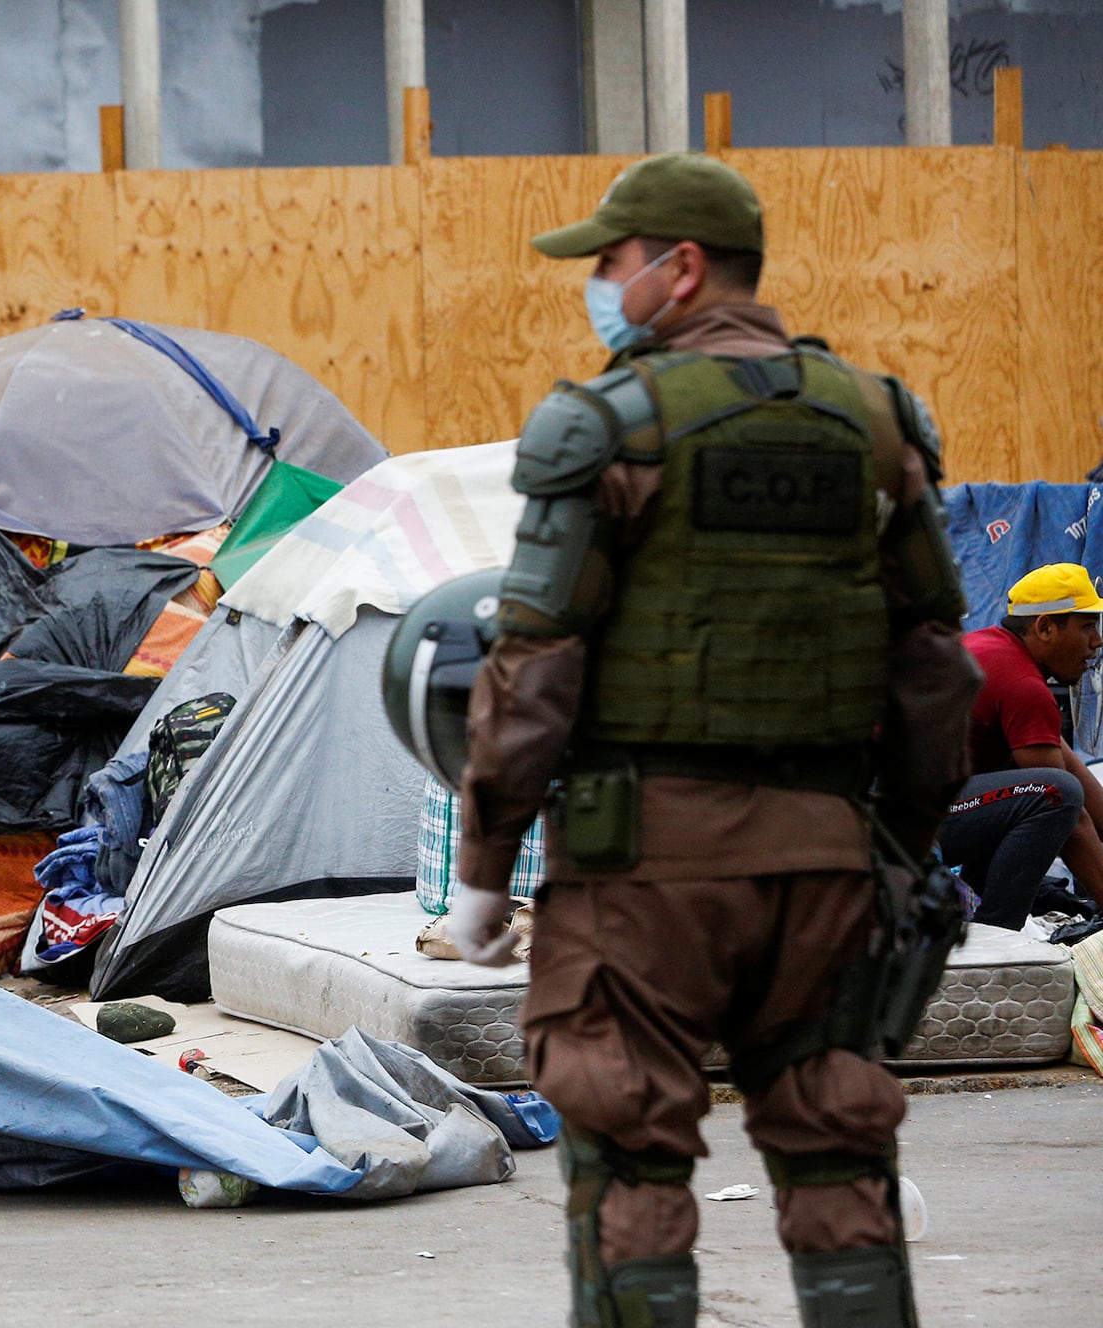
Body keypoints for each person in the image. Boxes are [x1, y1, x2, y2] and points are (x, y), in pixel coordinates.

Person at [445, 154, 979, 1326]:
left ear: (680, 267)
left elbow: (535, 666)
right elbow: (937, 668)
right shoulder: (875, 421)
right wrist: (896, 843)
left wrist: (483, 876)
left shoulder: (606, 426)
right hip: (827, 864)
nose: (599, 285)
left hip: (640, 875)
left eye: (611, 262)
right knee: (837, 1147)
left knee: (631, 1158)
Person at [937, 563, 1103, 927]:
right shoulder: (1022, 684)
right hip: (895, 820)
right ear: (1044, 628)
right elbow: (1069, 809)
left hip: (898, 808)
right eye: (1087, 627)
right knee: (1051, 793)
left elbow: (1068, 764)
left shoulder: (994, 649)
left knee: (1028, 785)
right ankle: (997, 930)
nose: (1097, 642)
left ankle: (980, 908)